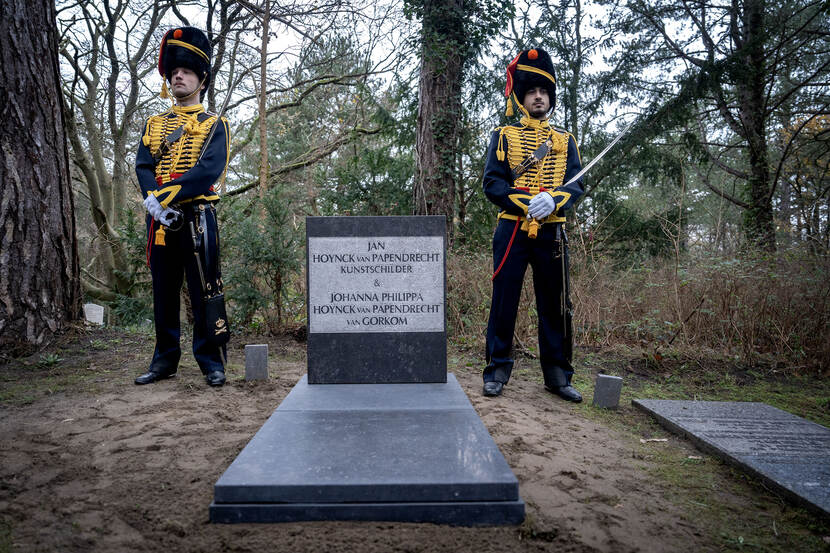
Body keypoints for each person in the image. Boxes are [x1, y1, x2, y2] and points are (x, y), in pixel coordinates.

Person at [481, 48, 584, 401]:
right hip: (512, 229)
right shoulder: (504, 135)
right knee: (504, 300)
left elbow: (576, 184)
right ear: (522, 97)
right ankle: (496, 369)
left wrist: (554, 200)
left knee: (553, 304)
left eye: (544, 91)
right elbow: (493, 184)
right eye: (531, 91)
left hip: (552, 230)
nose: (538, 96)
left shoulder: (566, 140)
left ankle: (557, 375)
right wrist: (527, 203)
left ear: (550, 97)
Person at [134, 27, 230, 387]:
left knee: (206, 288)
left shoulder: (214, 125)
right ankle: (164, 360)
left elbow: (208, 170)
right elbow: (143, 165)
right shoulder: (153, 124)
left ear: (201, 79)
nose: (178, 75)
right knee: (163, 290)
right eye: (174, 71)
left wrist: (164, 196)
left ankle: (211, 361)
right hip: (160, 221)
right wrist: (152, 203)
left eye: (187, 71)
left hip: (197, 217)